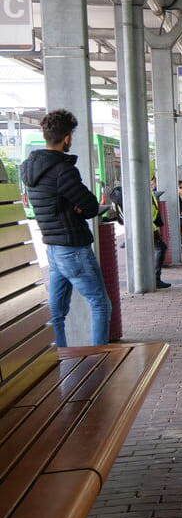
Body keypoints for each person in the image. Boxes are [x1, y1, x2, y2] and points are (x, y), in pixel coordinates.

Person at [19, 109, 112, 346]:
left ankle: (58, 356)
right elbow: (91, 205)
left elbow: (55, 204)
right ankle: (99, 356)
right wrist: (77, 207)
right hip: (73, 249)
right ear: (67, 138)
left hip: (53, 248)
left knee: (56, 313)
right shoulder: (62, 170)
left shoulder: (29, 169)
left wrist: (74, 205)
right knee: (100, 304)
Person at [150, 176, 171, 289]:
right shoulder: (146, 194)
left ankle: (154, 277)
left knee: (159, 248)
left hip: (151, 227)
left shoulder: (150, 193)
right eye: (151, 182)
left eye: (154, 182)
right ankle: (155, 278)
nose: (153, 184)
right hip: (149, 227)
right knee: (160, 248)